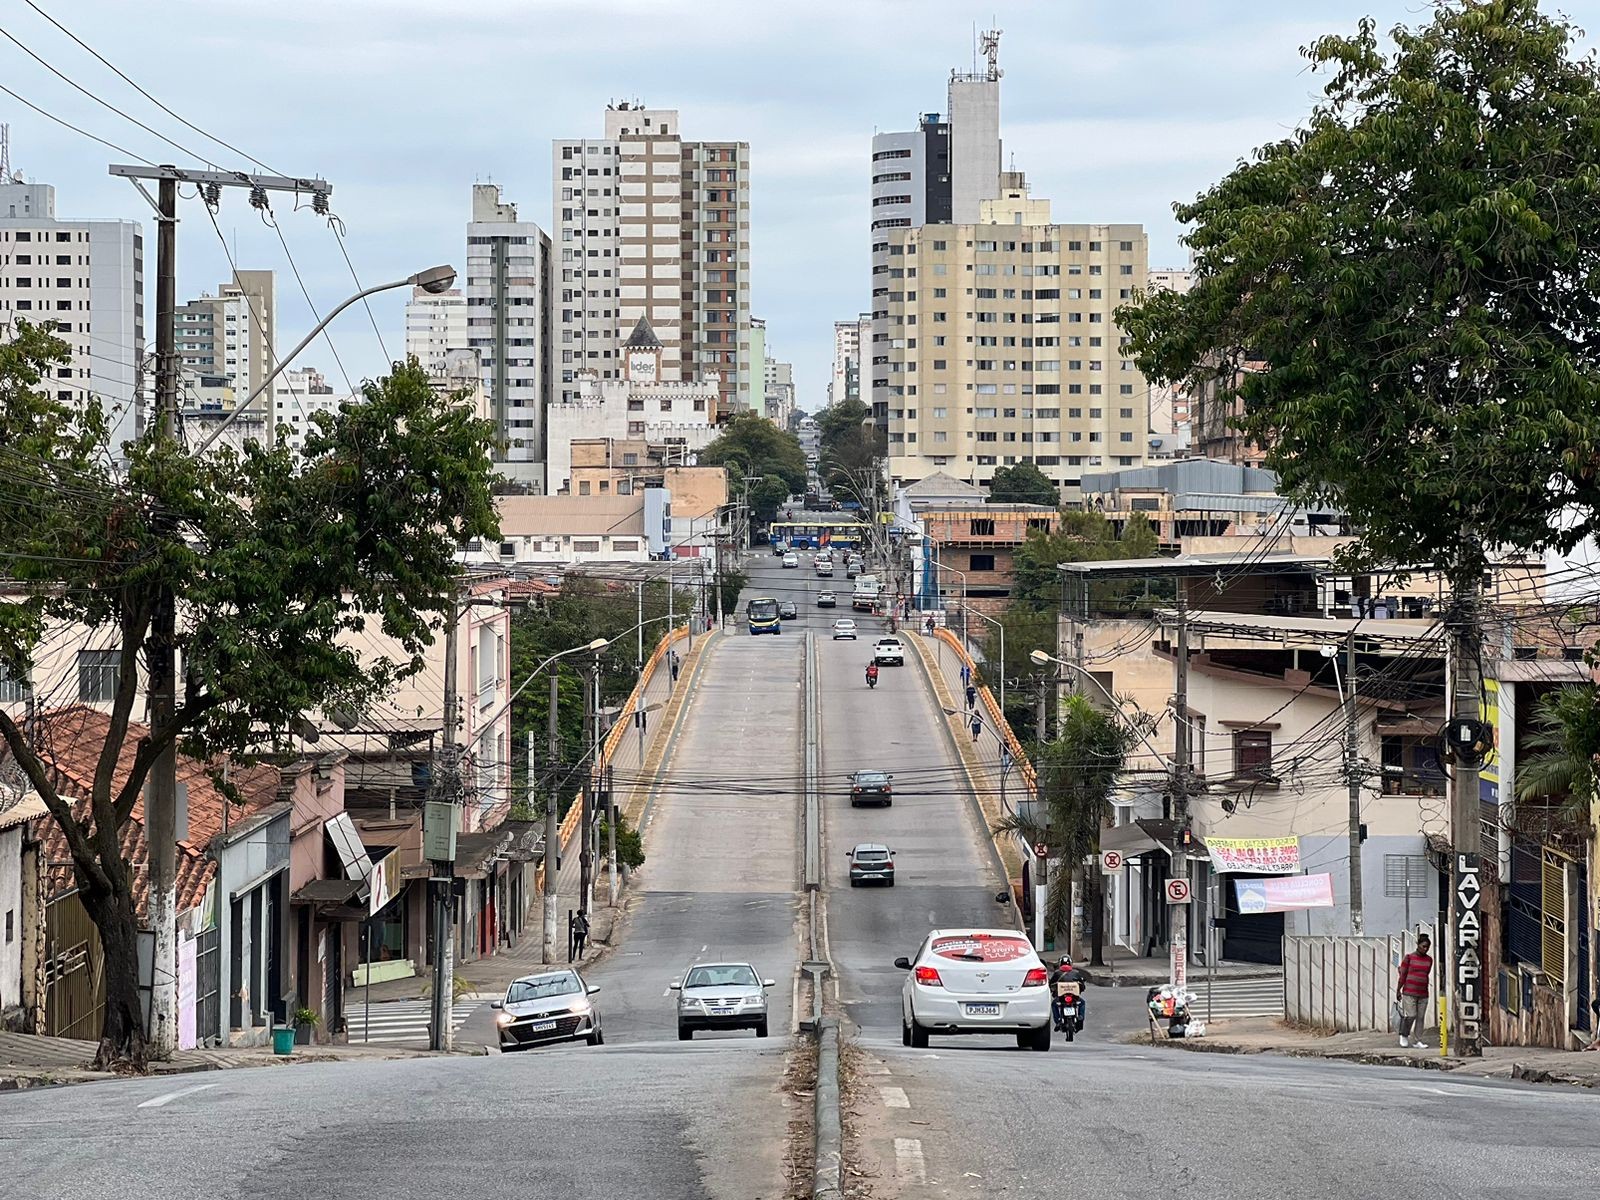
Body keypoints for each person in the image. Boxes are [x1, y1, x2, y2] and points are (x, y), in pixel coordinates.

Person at [1395, 934, 1433, 1047]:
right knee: (1411, 1015)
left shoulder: (1429, 960)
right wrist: (1398, 990)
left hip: (1423, 993)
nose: (1425, 949)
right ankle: (1404, 1035)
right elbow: (1403, 975)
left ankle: (1418, 1040)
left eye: (1427, 947)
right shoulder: (1409, 958)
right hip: (1409, 992)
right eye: (1423, 946)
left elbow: (1426, 974)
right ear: (1418, 945)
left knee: (1420, 1017)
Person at [1049, 954, 1088, 1030]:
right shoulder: (1076, 973)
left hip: (1061, 997)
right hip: (1074, 997)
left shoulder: (1057, 973)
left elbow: (1051, 984)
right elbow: (1082, 986)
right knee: (1082, 1003)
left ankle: (1058, 1021)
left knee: (1054, 1004)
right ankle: (1080, 1016)